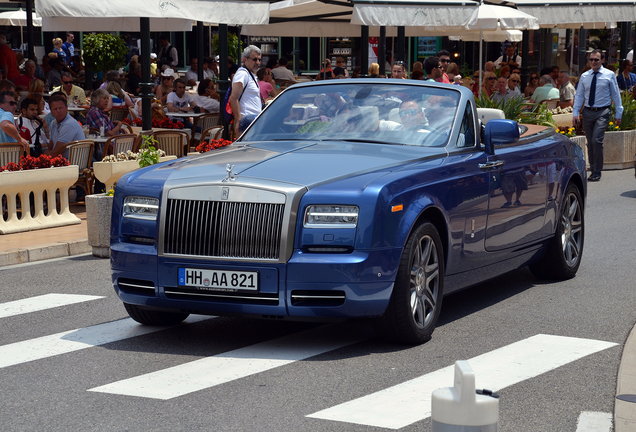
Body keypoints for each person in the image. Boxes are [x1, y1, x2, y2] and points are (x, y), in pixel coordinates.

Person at [573, 49, 623, 182]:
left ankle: (598, 170)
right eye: (591, 59)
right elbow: (579, 95)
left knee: (596, 140)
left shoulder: (609, 74)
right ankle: (593, 169)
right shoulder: (585, 76)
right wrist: (575, 112)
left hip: (603, 111)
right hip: (588, 112)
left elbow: (615, 94)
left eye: (596, 59)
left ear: (602, 60)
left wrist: (619, 112)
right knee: (590, 142)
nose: (593, 62)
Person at [229, 45, 262, 136]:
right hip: (246, 121)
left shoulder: (250, 74)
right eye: (255, 59)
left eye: (259, 60)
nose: (258, 62)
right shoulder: (243, 74)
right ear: (245, 60)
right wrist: (239, 120)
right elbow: (233, 98)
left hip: (253, 121)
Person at [46, 94, 85, 159]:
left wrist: (39, 161)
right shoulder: (53, 123)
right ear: (51, 111)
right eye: (55, 109)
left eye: (60, 108)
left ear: (66, 108)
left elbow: (56, 152)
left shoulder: (69, 124)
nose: (58, 111)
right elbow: (50, 148)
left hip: (73, 164)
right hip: (62, 162)